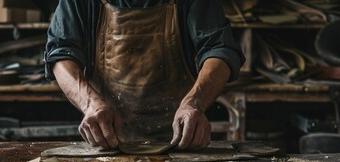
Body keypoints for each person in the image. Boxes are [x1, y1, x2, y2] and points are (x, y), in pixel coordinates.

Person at [44, 0, 245, 150]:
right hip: (106, 140)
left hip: (182, 141)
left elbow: (219, 49)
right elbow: (61, 53)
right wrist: (90, 104)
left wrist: (194, 103)